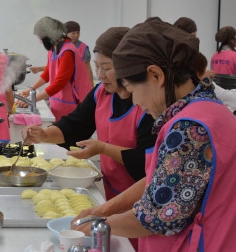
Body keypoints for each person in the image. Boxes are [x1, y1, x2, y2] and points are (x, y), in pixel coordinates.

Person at [73, 17, 236, 251]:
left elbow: (158, 217)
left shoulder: (190, 129)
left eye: (132, 89)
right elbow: (162, 180)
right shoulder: (213, 112)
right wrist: (102, 210)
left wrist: (97, 224)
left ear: (156, 75)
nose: (135, 101)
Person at [22, 26, 156, 201]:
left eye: (106, 68)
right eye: (97, 67)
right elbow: (75, 124)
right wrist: (43, 134)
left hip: (143, 198)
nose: (100, 75)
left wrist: (103, 149)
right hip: (112, 193)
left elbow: (147, 162)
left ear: (127, 67)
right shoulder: (101, 93)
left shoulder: (148, 105)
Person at [16, 17, 92, 121]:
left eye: (41, 38)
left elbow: (60, 83)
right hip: (58, 101)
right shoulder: (53, 49)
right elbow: (48, 73)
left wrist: (32, 99)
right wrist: (30, 89)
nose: (40, 42)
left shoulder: (68, 52)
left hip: (73, 103)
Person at [30, 21, 95, 87]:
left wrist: (91, 87)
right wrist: (40, 69)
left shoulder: (83, 48)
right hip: (61, 85)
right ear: (65, 34)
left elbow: (88, 69)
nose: (76, 35)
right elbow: (56, 66)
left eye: (78, 32)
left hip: (78, 85)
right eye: (73, 33)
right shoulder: (56, 47)